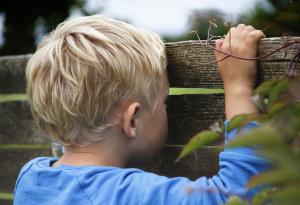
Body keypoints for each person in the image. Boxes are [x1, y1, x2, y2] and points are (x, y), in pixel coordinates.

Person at [13, 15, 267, 205]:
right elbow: (237, 196)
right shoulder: (125, 194)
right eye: (164, 103)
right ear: (132, 120)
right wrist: (238, 88)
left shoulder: (32, 177)